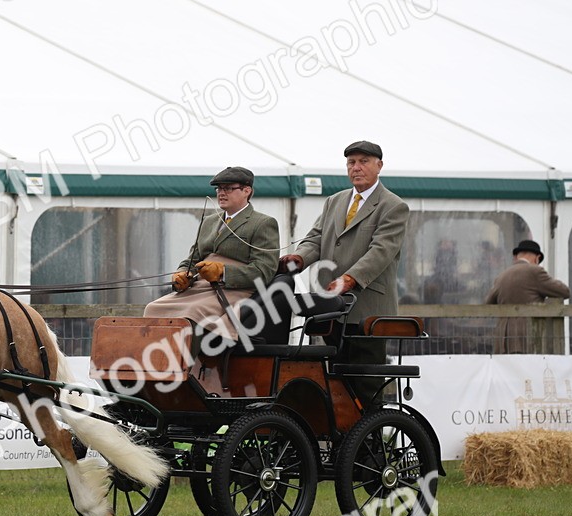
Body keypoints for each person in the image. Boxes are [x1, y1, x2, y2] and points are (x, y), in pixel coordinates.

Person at [279, 140, 410, 404]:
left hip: (366, 311)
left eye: (363, 161)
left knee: (364, 384)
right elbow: (316, 238)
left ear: (379, 166)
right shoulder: (335, 201)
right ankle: (339, 440)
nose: (356, 168)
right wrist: (299, 259)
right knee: (331, 383)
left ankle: (368, 441)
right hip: (331, 309)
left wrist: (349, 279)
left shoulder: (393, 206)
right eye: (351, 162)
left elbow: (381, 251)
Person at [144, 166, 279, 341]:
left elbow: (264, 271)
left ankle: (190, 365)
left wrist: (223, 272)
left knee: (192, 313)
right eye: (219, 189)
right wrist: (182, 274)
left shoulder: (263, 223)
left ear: (247, 191)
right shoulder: (209, 221)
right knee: (153, 308)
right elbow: (193, 258)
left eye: (228, 188)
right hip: (199, 287)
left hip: (233, 290)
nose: (221, 193)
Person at [485, 239, 570, 354]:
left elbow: (488, 303)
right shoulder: (535, 271)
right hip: (527, 334)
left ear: (516, 257)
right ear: (537, 258)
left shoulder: (502, 276)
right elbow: (564, 292)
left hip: (503, 338)